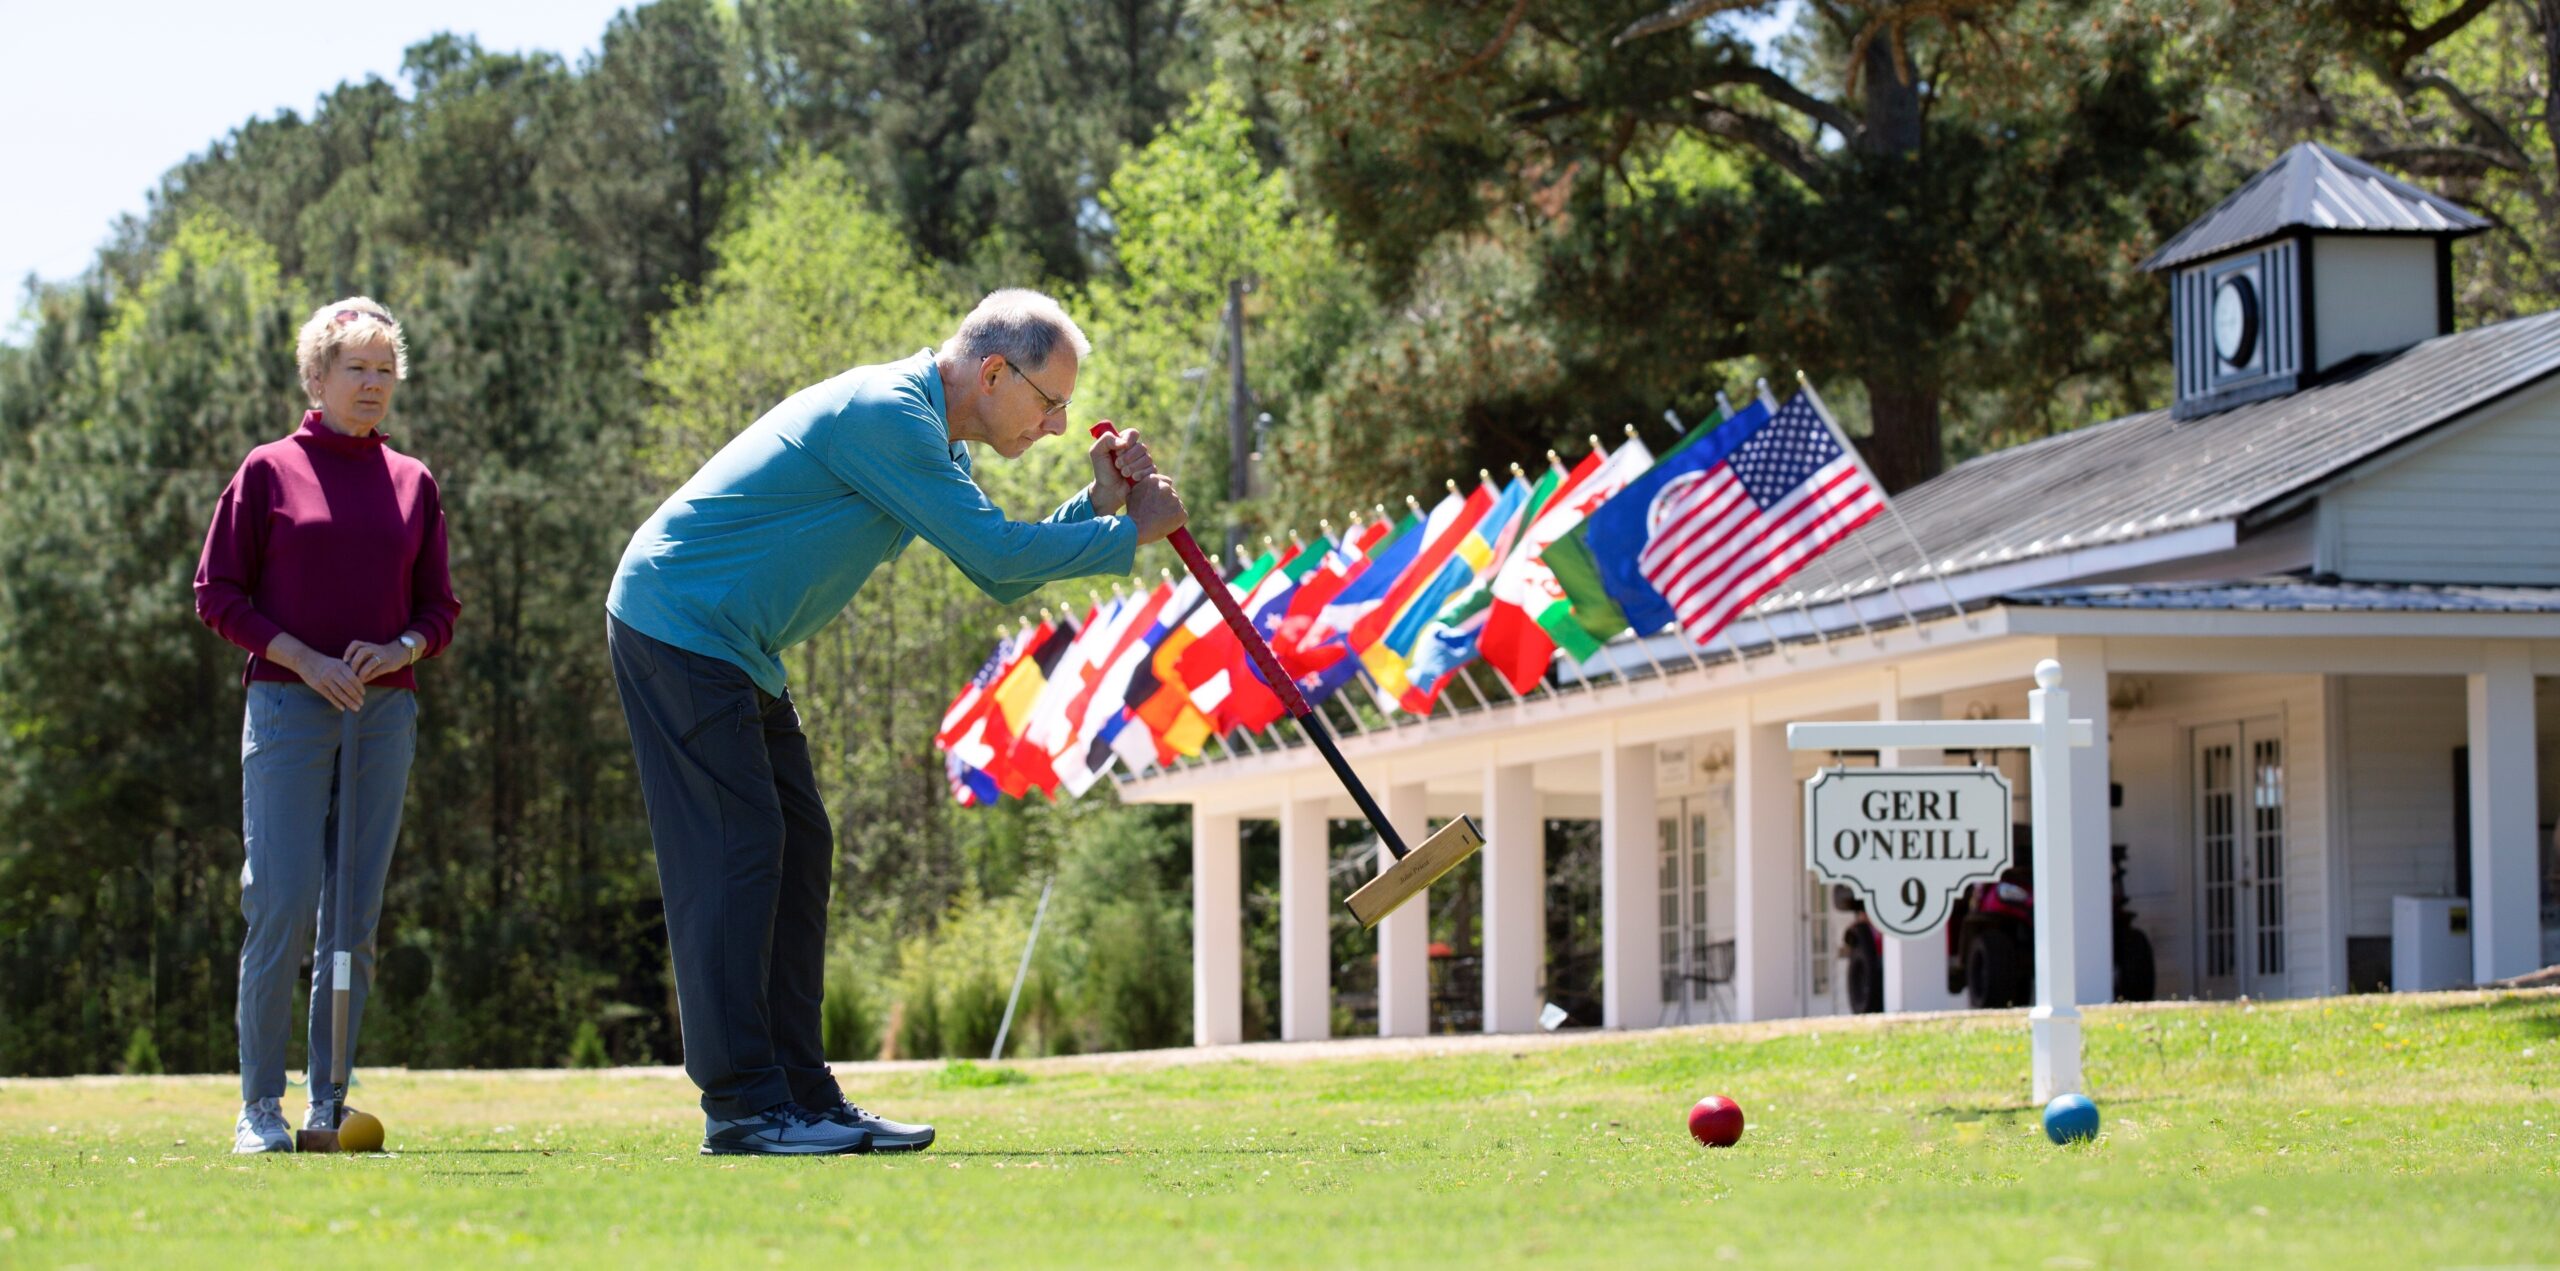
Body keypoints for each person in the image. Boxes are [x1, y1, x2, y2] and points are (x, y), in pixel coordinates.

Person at [606, 289, 1184, 1156]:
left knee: (799, 851)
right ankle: (744, 1108)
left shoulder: (930, 436)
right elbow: (995, 561)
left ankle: (802, 1094)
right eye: (1050, 401)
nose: (1059, 425)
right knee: (739, 851)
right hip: (680, 621)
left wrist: (1100, 506)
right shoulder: (886, 415)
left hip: (739, 645)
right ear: (994, 371)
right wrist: (1129, 535)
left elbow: (993, 545)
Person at [194, 297, 461, 1154]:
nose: (374, 384)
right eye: (358, 368)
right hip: (287, 705)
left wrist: (400, 648)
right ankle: (258, 1108)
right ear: (317, 376)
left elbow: (439, 609)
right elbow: (216, 593)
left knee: (354, 915)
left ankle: (326, 1103)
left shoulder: (413, 481)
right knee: (279, 903)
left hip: (384, 714)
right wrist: (303, 658)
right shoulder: (269, 470)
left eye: (387, 370)